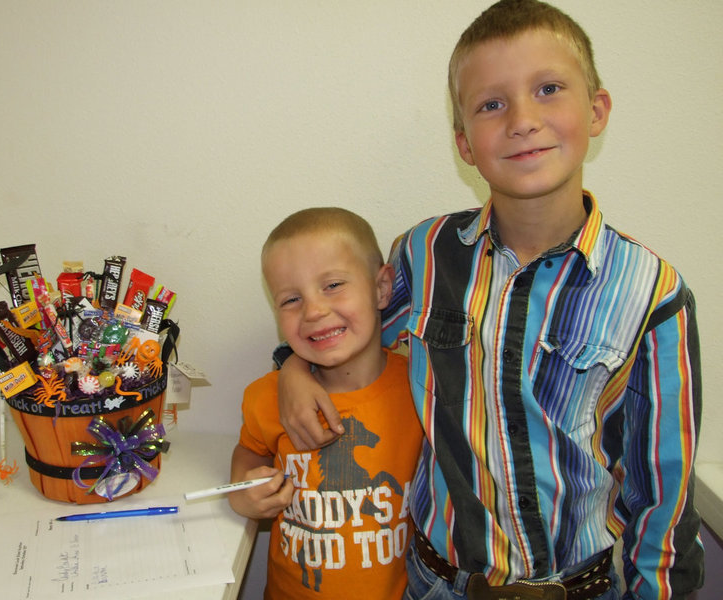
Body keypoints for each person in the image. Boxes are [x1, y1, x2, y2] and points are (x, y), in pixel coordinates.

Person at [276, 1, 704, 599]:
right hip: (439, 583)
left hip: (582, 586)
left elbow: (662, 491)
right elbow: (339, 334)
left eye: (549, 88)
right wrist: (292, 367)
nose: (522, 120)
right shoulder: (423, 255)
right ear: (464, 143)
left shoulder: (653, 293)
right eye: (491, 104)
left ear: (597, 110)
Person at [229, 207, 424, 599]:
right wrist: (241, 492)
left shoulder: (422, 388)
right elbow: (249, 452)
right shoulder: (265, 396)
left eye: (333, 284)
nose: (314, 311)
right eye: (290, 299)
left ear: (382, 288)